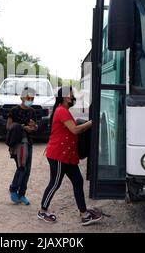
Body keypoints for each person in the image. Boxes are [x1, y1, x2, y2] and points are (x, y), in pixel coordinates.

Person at [38, 87, 102, 226]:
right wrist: (92, 122)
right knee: (55, 183)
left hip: (67, 156)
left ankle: (84, 214)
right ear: (66, 97)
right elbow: (75, 129)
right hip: (59, 155)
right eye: (72, 95)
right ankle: (43, 211)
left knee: (78, 181)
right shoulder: (61, 110)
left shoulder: (64, 110)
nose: (73, 97)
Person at [6, 87, 38, 205]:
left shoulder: (32, 112)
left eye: (32, 98)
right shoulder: (14, 110)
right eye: (28, 97)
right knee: (22, 167)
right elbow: (8, 127)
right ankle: (13, 189)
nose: (30, 100)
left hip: (28, 143)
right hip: (17, 143)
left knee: (27, 170)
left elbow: (35, 127)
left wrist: (33, 127)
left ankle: (22, 194)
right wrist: (22, 127)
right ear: (22, 97)